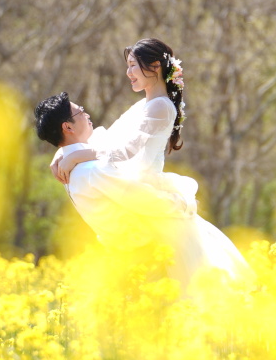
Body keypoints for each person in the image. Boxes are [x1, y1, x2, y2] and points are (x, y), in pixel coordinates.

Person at [35, 38, 252, 288]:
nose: (128, 73)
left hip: (147, 194)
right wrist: (63, 152)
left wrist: (75, 155)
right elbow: (108, 137)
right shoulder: (145, 104)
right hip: (139, 200)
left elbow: (126, 150)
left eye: (132, 66)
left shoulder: (160, 107)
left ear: (155, 66)